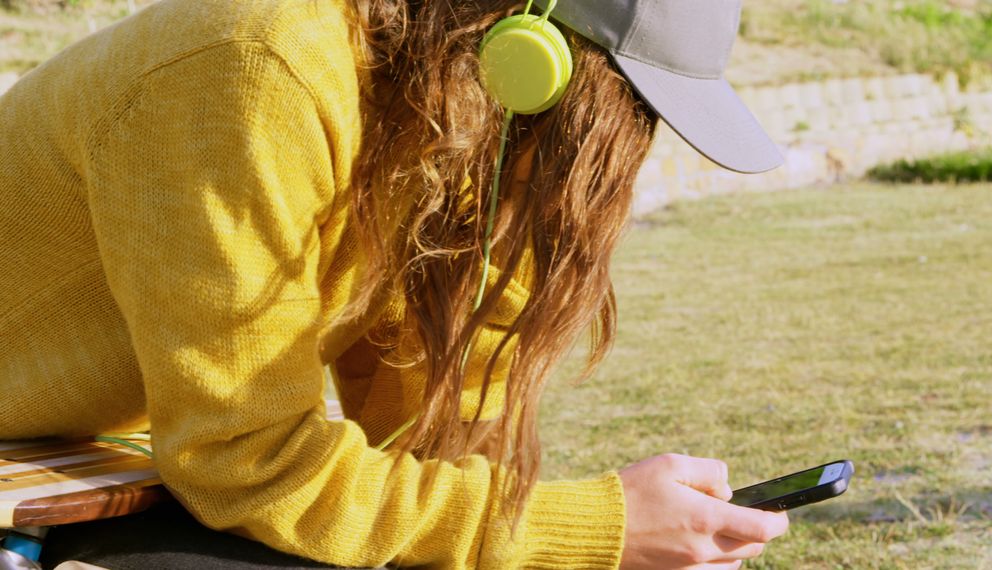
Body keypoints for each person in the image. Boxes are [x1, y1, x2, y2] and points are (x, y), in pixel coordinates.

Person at [0, 0, 790, 567]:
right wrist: (590, 529)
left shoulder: (446, 114)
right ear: (527, 50)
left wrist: (585, 545)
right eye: (626, 106)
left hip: (104, 447)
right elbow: (248, 465)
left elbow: (433, 432)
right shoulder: (256, 73)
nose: (623, 146)